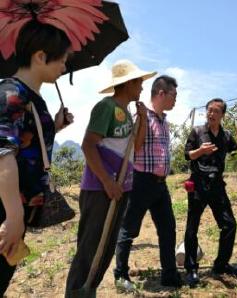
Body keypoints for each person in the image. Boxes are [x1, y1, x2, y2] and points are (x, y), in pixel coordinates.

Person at [65, 60, 156, 297]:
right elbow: (88, 145)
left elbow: (135, 146)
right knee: (90, 248)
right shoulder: (106, 107)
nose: (142, 88)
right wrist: (107, 181)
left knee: (104, 250)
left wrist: (143, 119)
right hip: (100, 190)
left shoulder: (126, 114)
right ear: (127, 84)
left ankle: (89, 290)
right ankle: (76, 292)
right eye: (139, 82)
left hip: (119, 189)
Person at [0, 21, 74, 295]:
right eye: (62, 60)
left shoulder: (32, 97)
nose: (64, 68)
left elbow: (25, 142)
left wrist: (54, 126)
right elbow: (2, 152)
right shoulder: (11, 93)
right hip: (5, 207)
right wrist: (13, 214)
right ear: (40, 56)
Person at [113, 75, 181, 291]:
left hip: (160, 184)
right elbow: (136, 146)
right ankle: (121, 275)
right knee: (129, 228)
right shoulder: (141, 114)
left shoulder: (164, 120)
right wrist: (142, 119)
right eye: (174, 95)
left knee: (168, 228)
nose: (175, 100)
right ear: (161, 93)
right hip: (140, 181)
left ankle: (170, 275)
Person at [183, 98, 237, 287]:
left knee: (229, 224)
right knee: (192, 227)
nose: (211, 113)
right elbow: (187, 155)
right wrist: (200, 151)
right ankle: (191, 268)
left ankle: (221, 264)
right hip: (198, 184)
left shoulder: (226, 136)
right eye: (209, 110)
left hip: (217, 185)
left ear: (222, 115)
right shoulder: (197, 132)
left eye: (215, 111)